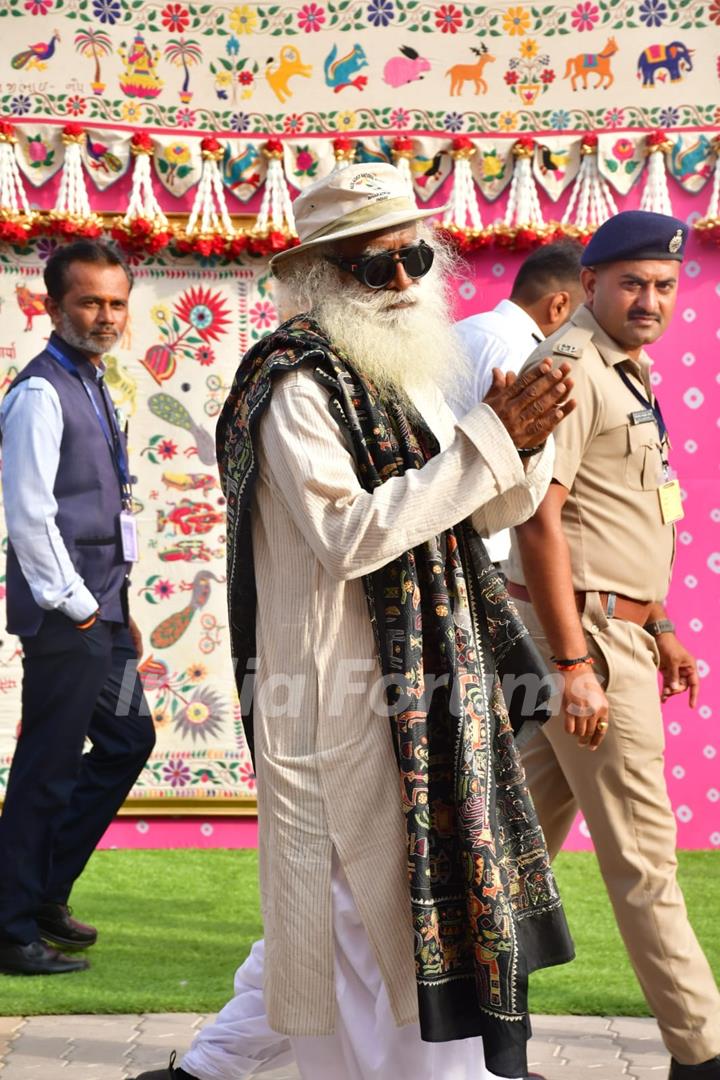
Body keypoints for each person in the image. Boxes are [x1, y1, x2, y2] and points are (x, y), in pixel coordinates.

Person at [134, 162, 578, 1080]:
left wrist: (520, 451)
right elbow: (350, 535)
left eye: (415, 256)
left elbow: (462, 514)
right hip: (342, 708)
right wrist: (491, 443)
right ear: (321, 275)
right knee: (375, 946)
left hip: (417, 698)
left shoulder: (398, 375)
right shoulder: (295, 385)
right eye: (379, 268)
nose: (407, 283)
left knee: (371, 944)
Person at [505, 210, 720, 1080]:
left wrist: (661, 621)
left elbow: (623, 514)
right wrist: (573, 665)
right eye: (632, 282)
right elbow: (539, 521)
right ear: (587, 284)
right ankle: (702, 1054)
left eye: (665, 285)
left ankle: (470, 1034)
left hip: (614, 631)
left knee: (505, 849)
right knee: (643, 858)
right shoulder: (567, 366)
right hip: (584, 643)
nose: (651, 299)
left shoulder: (626, 370)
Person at [0, 240, 155, 976]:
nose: (106, 316)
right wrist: (80, 608)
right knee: (48, 767)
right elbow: (30, 516)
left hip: (104, 611)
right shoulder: (38, 392)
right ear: (55, 306)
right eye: (90, 302)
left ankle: (40, 893)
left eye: (116, 302)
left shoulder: (93, 380)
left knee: (128, 741)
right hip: (71, 618)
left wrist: (117, 606)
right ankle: (9, 926)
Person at [452, 242, 585, 564]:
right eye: (584, 319)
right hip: (489, 544)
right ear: (559, 306)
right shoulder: (525, 353)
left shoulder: (463, 329)